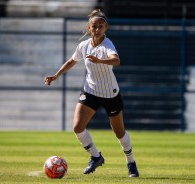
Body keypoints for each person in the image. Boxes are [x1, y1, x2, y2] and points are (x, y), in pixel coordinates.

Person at [44, 9, 139, 177]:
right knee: (78, 127)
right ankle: (96, 157)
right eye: (94, 26)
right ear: (89, 27)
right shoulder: (84, 45)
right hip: (91, 91)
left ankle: (131, 162)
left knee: (119, 132)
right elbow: (72, 61)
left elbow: (116, 60)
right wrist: (56, 75)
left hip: (110, 93)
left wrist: (100, 60)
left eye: (100, 26)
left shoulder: (107, 45)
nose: (97, 29)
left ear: (106, 28)